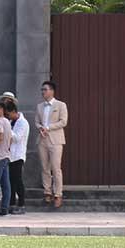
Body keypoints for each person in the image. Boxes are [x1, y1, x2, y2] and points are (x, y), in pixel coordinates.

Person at [37, 80, 69, 208]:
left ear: (52, 91)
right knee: (45, 167)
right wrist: (40, 128)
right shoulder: (39, 106)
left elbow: (63, 122)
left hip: (55, 139)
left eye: (45, 89)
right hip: (42, 139)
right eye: (42, 90)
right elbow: (36, 121)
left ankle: (58, 194)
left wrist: (49, 127)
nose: (43, 92)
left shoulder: (61, 105)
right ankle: (47, 192)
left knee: (56, 168)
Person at [5, 98, 30, 214]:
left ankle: (21, 204)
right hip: (10, 155)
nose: (8, 117)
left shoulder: (23, 123)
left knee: (18, 180)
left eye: (8, 114)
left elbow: (17, 137)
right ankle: (11, 204)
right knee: (11, 181)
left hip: (18, 155)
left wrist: (7, 128)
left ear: (14, 111)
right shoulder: (12, 122)